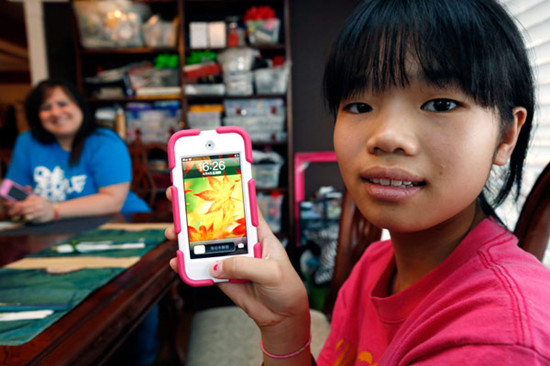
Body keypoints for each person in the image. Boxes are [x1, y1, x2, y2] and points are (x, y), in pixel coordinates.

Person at [166, 0, 550, 364]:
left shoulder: (497, 338)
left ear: (505, 137)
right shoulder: (373, 267)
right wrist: (285, 328)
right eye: (359, 106)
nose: (386, 136)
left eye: (440, 104)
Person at [3, 79, 150, 222]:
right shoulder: (27, 141)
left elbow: (112, 201)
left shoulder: (105, 141)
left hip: (123, 223)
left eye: (63, 104)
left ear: (79, 106)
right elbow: (11, 190)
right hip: (57, 231)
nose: (55, 112)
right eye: (46, 108)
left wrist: (53, 210)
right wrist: (21, 206)